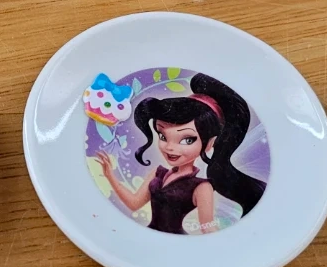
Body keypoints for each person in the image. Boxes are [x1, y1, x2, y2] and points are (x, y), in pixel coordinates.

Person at [96, 73, 264, 235]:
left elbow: (207, 228)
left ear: (209, 143)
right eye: (163, 136)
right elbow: (134, 204)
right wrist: (110, 175)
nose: (170, 147)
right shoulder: (157, 174)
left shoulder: (202, 187)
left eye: (187, 140)